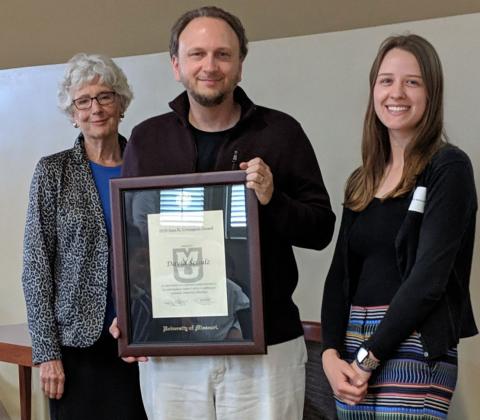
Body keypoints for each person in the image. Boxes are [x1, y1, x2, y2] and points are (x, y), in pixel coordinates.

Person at [110, 6, 335, 420]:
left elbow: (321, 229)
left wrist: (273, 198)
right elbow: (131, 241)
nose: (209, 66)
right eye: (196, 54)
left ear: (240, 65)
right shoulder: (147, 139)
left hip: (265, 349)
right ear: (176, 65)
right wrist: (129, 314)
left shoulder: (280, 133)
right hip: (172, 348)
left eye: (222, 54)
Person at [321, 34, 478, 419]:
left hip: (412, 343)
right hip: (352, 345)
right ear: (374, 89)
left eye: (413, 81)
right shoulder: (362, 180)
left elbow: (428, 280)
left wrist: (369, 357)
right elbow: (339, 275)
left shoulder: (448, 168)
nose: (397, 93)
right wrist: (329, 354)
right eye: (386, 80)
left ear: (431, 93)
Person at [21, 53, 146, 419]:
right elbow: (36, 267)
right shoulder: (52, 172)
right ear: (73, 113)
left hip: (143, 339)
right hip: (76, 346)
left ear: (121, 103)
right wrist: (46, 353)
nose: (96, 108)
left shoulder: (147, 165)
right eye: (84, 101)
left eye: (105, 96)